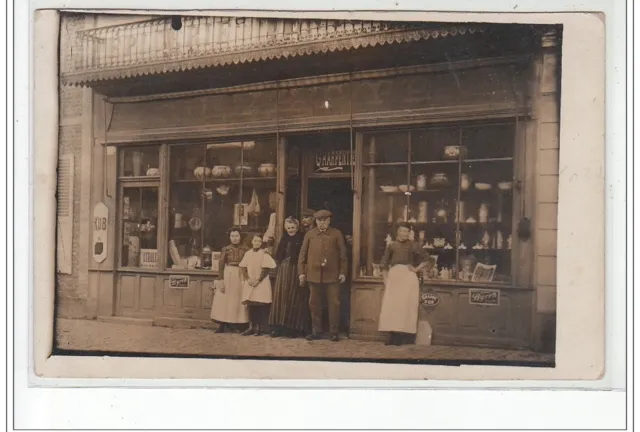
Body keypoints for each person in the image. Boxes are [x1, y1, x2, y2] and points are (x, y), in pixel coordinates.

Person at [298, 210, 348, 342]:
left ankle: (334, 332)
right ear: (316, 221)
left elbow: (343, 255)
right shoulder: (310, 234)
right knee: (314, 304)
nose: (322, 223)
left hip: (332, 276)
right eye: (319, 221)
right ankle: (316, 331)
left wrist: (343, 272)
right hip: (313, 275)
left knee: (334, 304)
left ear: (329, 221)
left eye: (325, 220)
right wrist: (302, 273)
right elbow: (302, 256)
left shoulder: (336, 234)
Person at [378, 222, 429, 346]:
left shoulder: (414, 245)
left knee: (404, 307)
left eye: (406, 231)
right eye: (402, 231)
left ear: (409, 233)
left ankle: (401, 337)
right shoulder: (392, 246)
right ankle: (391, 335)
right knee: (392, 306)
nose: (404, 233)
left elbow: (427, 259)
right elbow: (384, 264)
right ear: (398, 232)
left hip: (408, 278)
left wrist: (416, 269)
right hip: (394, 277)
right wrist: (386, 280)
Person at [268, 217, 310, 338]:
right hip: (284, 269)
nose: (291, 230)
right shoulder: (284, 238)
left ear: (297, 227)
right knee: (281, 296)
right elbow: (279, 255)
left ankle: (293, 328)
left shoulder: (301, 238)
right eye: (288, 228)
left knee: (294, 296)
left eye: (293, 228)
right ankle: (278, 327)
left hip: (296, 269)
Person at [210, 227, 249, 333]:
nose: (235, 238)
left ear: (240, 237)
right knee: (224, 299)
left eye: (237, 236)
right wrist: (221, 279)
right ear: (230, 237)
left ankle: (236, 324)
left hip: (240, 274)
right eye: (232, 236)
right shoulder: (226, 249)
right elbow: (221, 264)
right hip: (228, 274)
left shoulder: (245, 249)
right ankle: (222, 324)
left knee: (237, 300)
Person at [239, 234, 277, 336]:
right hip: (250, 282)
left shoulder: (264, 254)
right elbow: (243, 267)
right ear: (252, 241)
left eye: (259, 241)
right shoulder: (247, 253)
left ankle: (259, 328)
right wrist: (248, 279)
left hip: (261, 282)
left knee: (260, 305)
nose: (257, 243)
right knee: (251, 305)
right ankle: (251, 327)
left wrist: (258, 280)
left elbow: (266, 268)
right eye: (255, 241)